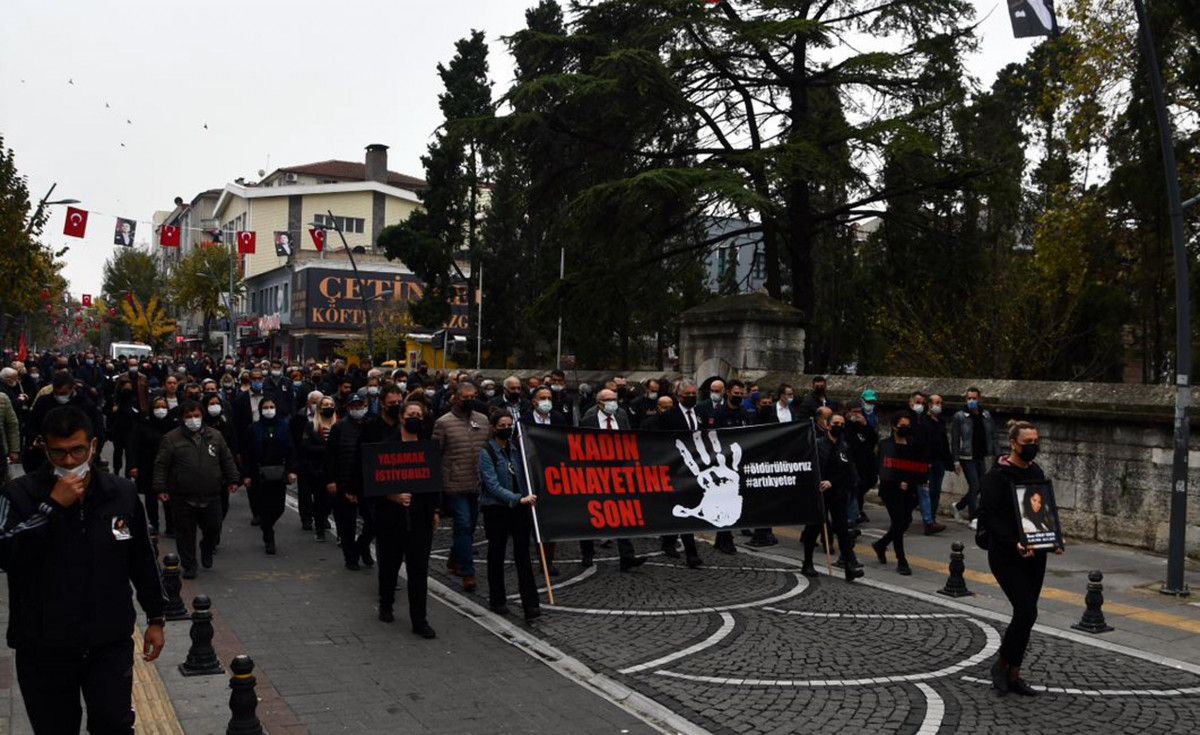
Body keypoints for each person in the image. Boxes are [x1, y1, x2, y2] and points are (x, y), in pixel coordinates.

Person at [0, 405, 166, 734]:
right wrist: (51, 509)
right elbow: (6, 553)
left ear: (92, 446)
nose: (70, 461)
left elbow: (141, 559)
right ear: (44, 449)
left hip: (108, 639)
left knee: (113, 723)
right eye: (58, 453)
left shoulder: (120, 493)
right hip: (43, 645)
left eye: (77, 450)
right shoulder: (20, 494)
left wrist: (156, 617)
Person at [981, 420, 1062, 696]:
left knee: (1025, 615)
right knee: (1027, 610)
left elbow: (1042, 509)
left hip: (1035, 553)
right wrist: (1013, 542)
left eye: (1036, 442)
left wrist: (1054, 539)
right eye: (1028, 443)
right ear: (1014, 443)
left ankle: (1013, 673)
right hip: (1006, 554)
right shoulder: (997, 476)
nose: (1033, 447)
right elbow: (990, 517)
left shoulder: (1035, 470)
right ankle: (1002, 663)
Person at [372, 395, 439, 638]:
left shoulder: (427, 446)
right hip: (391, 517)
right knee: (389, 566)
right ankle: (386, 603)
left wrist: (435, 511)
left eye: (419, 416)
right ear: (401, 418)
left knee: (418, 570)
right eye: (410, 415)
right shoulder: (387, 444)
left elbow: (434, 483)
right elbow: (374, 483)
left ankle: (419, 620)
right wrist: (393, 496)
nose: (415, 419)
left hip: (420, 518)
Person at [153, 401, 240, 578]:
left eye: (196, 416)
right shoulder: (171, 439)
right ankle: (189, 564)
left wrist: (233, 479)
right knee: (185, 533)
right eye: (188, 417)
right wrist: (160, 487)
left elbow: (226, 459)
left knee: (213, 527)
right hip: (182, 495)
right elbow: (161, 465)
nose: (193, 420)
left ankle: (207, 548)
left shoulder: (215, 436)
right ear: (182, 419)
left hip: (211, 493)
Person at [479, 411, 543, 621]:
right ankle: (497, 599)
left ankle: (531, 604)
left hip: (520, 508)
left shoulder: (517, 450)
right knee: (496, 553)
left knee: (523, 555)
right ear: (494, 427)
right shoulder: (486, 451)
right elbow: (492, 485)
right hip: (497, 508)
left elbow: (525, 474)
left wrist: (527, 496)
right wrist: (516, 498)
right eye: (502, 425)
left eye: (509, 424)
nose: (507, 428)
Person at [432, 382, 490, 592]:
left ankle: (454, 558)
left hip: (476, 483)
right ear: (455, 398)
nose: (470, 400)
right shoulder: (443, 423)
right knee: (464, 524)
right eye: (465, 397)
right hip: (454, 483)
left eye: (473, 396)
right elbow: (435, 455)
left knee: (470, 526)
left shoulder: (482, 420)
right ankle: (468, 572)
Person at [802, 412, 863, 581]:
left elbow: (848, 472)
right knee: (813, 528)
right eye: (836, 423)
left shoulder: (845, 447)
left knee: (843, 530)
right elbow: (810, 467)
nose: (839, 426)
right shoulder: (818, 444)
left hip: (838, 493)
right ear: (828, 425)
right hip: (819, 494)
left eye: (842, 424)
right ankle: (807, 562)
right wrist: (818, 483)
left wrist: (834, 483)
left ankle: (849, 565)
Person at [870, 412, 927, 576]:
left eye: (908, 426)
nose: (906, 429)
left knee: (905, 521)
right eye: (902, 426)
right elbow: (883, 467)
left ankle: (881, 544)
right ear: (894, 427)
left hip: (909, 489)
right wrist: (898, 481)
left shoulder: (912, 443)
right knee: (898, 522)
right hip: (891, 489)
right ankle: (901, 560)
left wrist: (911, 480)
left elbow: (916, 464)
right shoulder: (885, 444)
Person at [325, 390, 375, 570]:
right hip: (343, 481)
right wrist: (331, 480)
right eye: (353, 406)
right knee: (347, 524)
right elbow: (330, 456)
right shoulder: (339, 427)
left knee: (373, 521)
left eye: (360, 406)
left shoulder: (371, 426)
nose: (357, 409)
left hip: (367, 483)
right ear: (348, 408)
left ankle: (362, 546)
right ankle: (350, 557)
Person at [242, 398, 297, 555]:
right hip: (258, 473)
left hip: (278, 472)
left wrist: (292, 470)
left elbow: (291, 449)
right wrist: (246, 475)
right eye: (265, 407)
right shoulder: (253, 429)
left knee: (278, 507)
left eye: (272, 406)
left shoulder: (284, 427)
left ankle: (267, 524)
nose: (269, 409)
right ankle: (268, 536)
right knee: (263, 507)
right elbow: (247, 454)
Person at [130, 396, 178, 535]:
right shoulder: (144, 424)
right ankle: (154, 523)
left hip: (168, 466)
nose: (161, 410)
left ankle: (171, 526)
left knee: (169, 498)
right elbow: (135, 446)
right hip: (148, 465)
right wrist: (134, 466)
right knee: (151, 498)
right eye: (157, 407)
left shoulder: (172, 424)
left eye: (163, 407)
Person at [952, 386, 997, 526]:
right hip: (967, 456)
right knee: (975, 485)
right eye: (969, 398)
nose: (971, 401)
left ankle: (959, 506)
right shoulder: (960, 416)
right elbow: (954, 439)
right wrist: (956, 460)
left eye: (974, 398)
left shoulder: (986, 415)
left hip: (982, 455)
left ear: (979, 399)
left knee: (981, 486)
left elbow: (993, 436)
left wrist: (998, 455)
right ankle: (974, 517)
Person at [298, 395, 337, 540]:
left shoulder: (337, 426)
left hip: (334, 469)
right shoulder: (311, 426)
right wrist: (325, 449)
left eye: (330, 405)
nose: (328, 408)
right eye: (325, 405)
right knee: (320, 500)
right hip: (317, 469)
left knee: (331, 502)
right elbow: (305, 446)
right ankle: (319, 528)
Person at [922, 394, 952, 535]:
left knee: (935, 491)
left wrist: (949, 461)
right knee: (927, 491)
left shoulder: (940, 421)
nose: (938, 405)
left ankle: (931, 519)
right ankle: (928, 520)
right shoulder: (923, 421)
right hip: (928, 461)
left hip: (939, 460)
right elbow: (923, 442)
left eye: (940, 403)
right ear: (929, 405)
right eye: (936, 403)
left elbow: (944, 442)